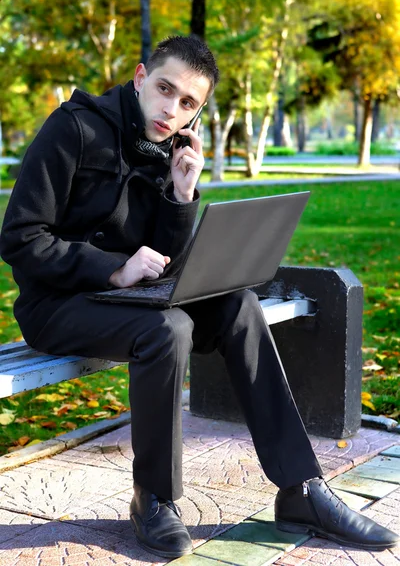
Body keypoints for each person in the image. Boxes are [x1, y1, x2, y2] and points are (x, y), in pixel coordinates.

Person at [0, 35, 398, 559]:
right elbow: (20, 237)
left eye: (188, 102)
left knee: (238, 305)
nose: (171, 109)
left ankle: (302, 489)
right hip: (56, 307)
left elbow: (162, 257)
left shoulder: (169, 149)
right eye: (164, 89)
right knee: (169, 328)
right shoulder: (73, 128)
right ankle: (155, 498)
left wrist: (181, 195)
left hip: (130, 302)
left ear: (199, 109)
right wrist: (112, 269)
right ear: (141, 78)